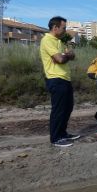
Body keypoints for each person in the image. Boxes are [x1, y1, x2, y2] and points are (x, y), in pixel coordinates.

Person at [39, 16, 80, 147]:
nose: (65, 30)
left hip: (65, 78)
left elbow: (71, 56)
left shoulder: (59, 41)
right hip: (55, 79)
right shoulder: (47, 40)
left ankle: (62, 133)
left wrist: (66, 55)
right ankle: (55, 138)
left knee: (67, 108)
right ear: (55, 27)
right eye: (64, 28)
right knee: (59, 109)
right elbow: (60, 59)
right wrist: (66, 55)